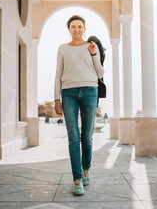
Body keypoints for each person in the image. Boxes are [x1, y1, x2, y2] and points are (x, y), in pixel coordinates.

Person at [54, 15, 104, 195]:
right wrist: (56, 99)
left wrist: (93, 53)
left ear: (84, 29)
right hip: (68, 93)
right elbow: (58, 74)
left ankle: (86, 170)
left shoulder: (92, 46)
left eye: (80, 26)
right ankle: (77, 179)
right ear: (69, 29)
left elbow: (100, 73)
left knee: (87, 137)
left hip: (90, 91)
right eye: (73, 26)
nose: (76, 29)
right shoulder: (62, 49)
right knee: (73, 137)